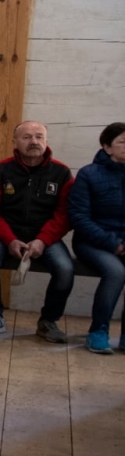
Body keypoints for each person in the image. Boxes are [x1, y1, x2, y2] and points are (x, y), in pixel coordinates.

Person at [0, 121, 74, 341]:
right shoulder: (0, 170)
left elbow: (65, 215)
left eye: (39, 137)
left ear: (46, 141)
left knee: (65, 269)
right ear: (15, 142)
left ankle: (48, 321)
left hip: (44, 236)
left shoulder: (62, 173)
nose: (34, 141)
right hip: (4, 234)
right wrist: (9, 239)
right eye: (27, 137)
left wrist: (43, 240)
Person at [69, 121, 125, 355]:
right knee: (115, 271)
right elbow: (79, 218)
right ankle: (98, 331)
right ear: (107, 147)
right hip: (92, 242)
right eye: (122, 142)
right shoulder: (88, 174)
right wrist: (114, 244)